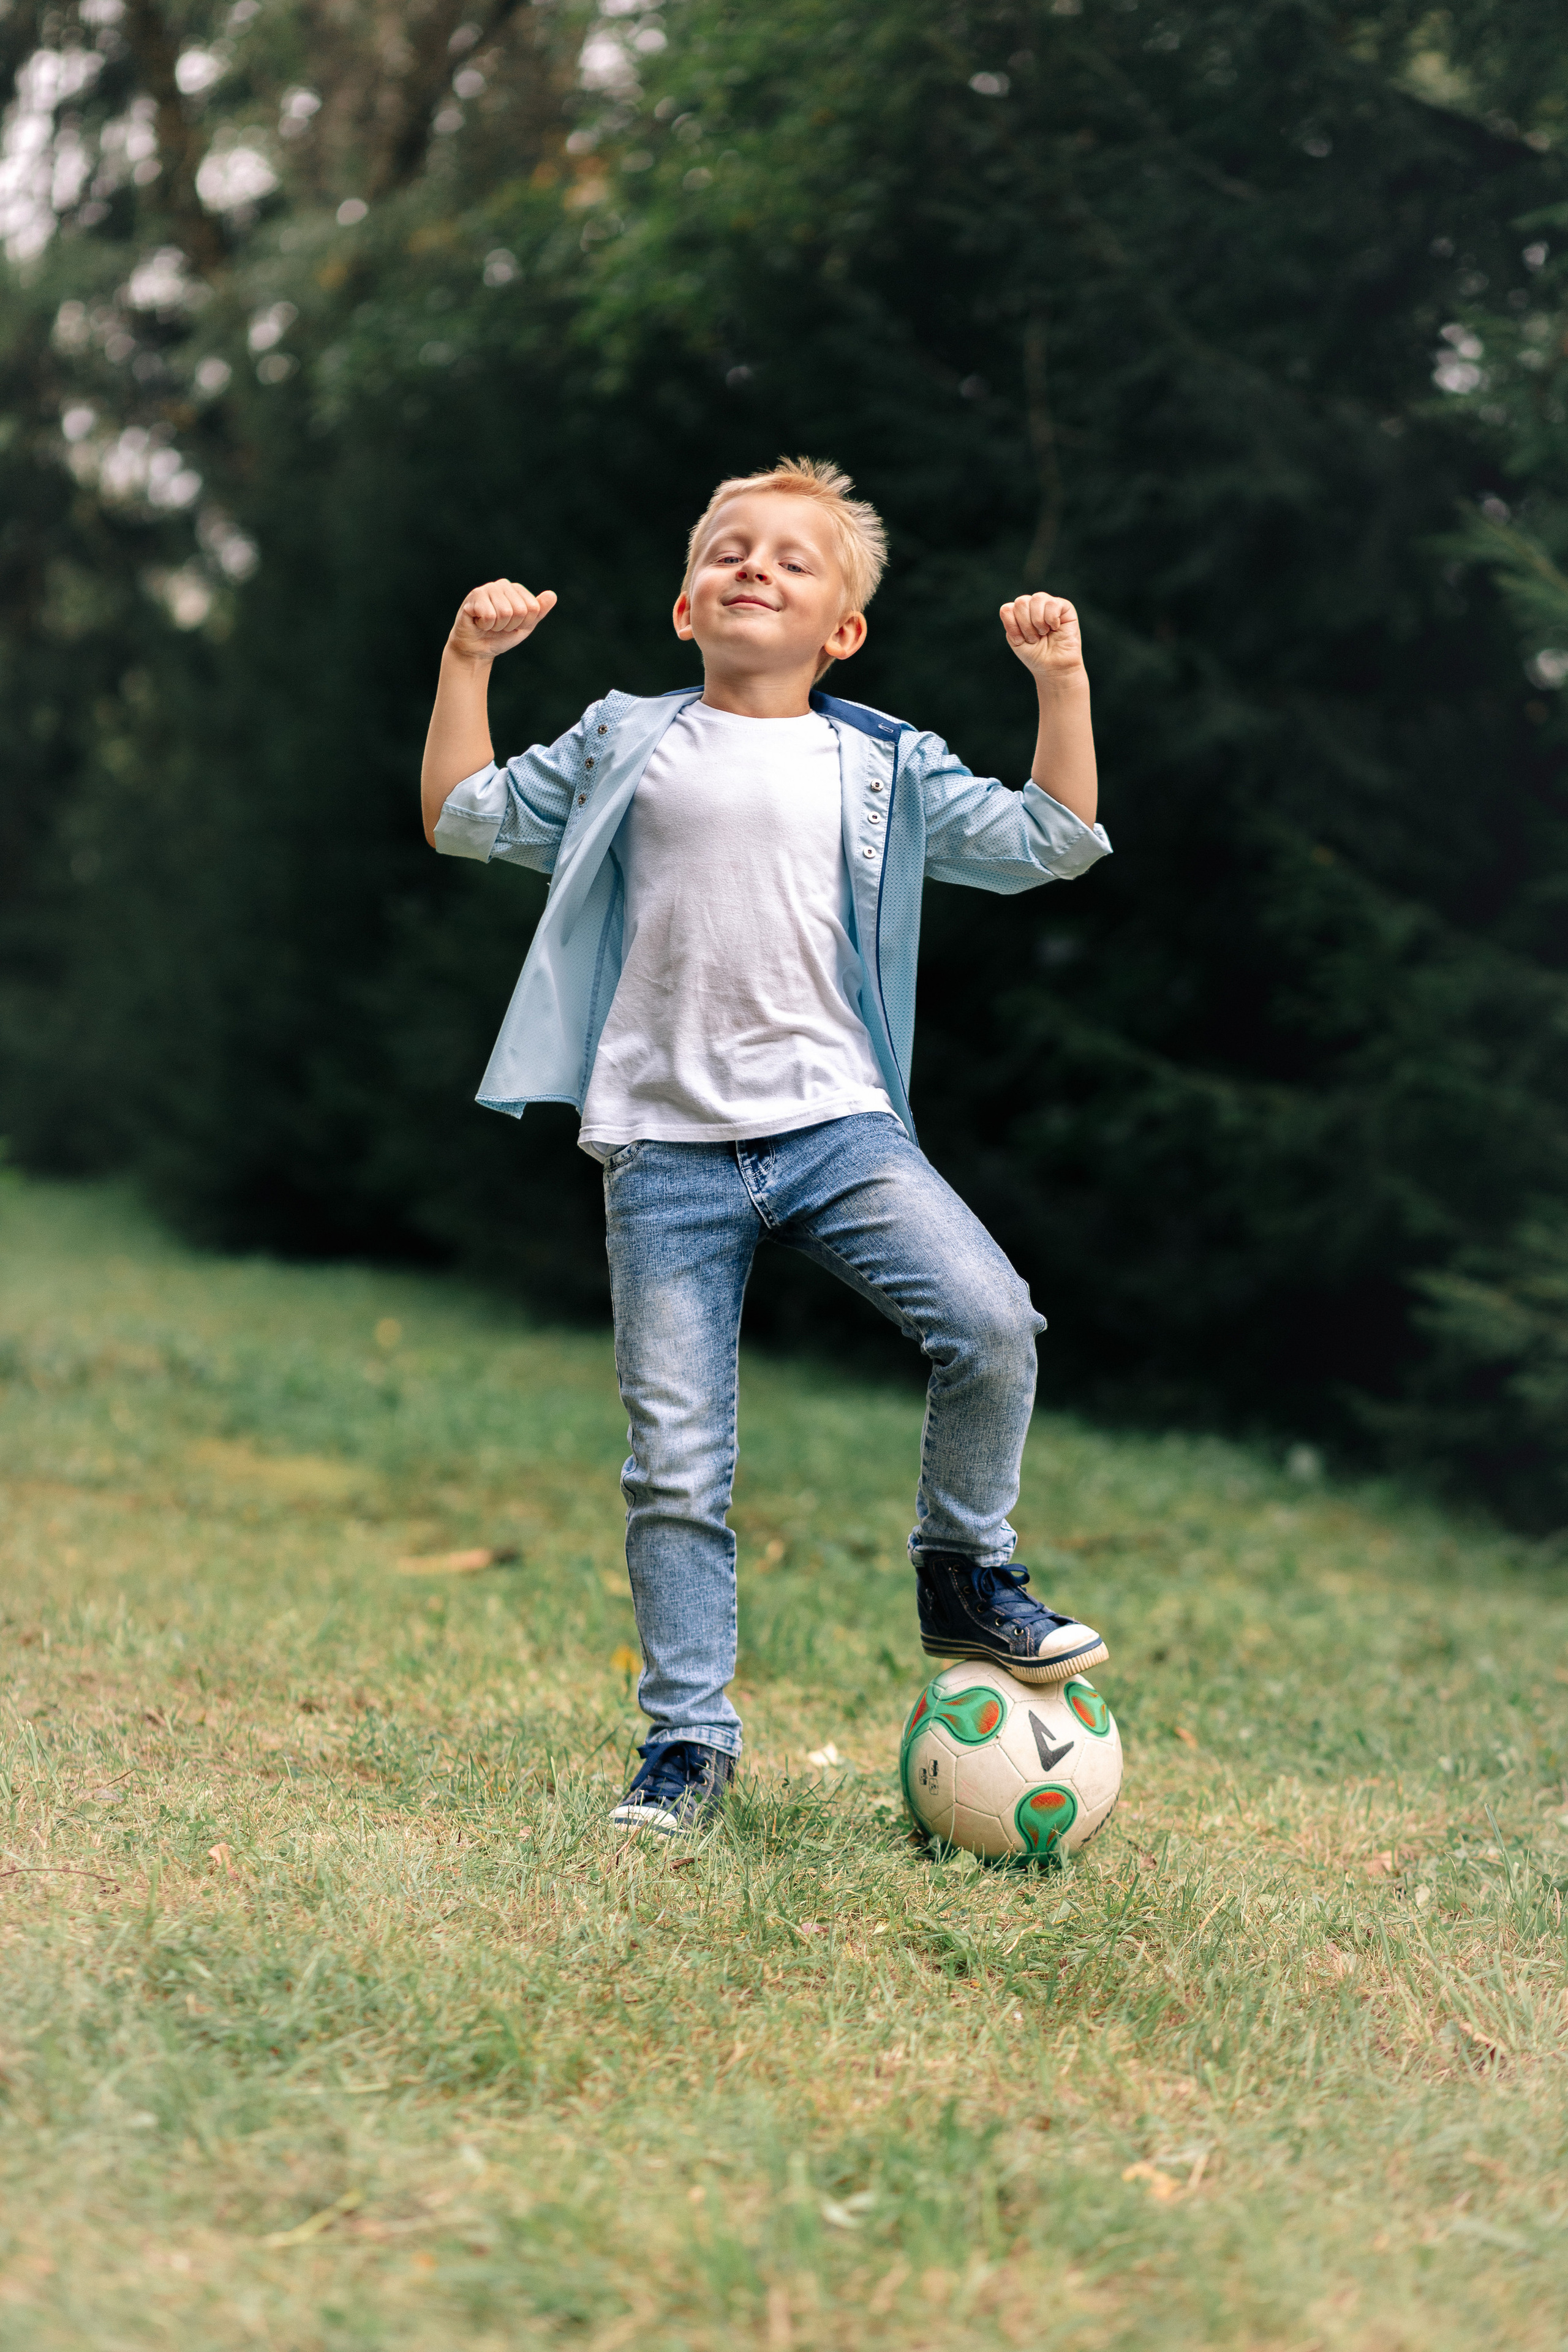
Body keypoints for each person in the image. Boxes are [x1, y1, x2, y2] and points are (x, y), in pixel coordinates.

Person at [419, 456, 1112, 1837]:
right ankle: (685, 1744)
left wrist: (1061, 682)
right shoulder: (628, 737)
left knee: (990, 1323)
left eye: (793, 561)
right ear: (684, 605)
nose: (755, 568)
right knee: (676, 1463)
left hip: (836, 1131)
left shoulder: (882, 765)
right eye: (729, 550)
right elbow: (462, 814)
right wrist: (464, 659)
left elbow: (1055, 838)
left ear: (838, 630)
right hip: (665, 1153)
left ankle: (964, 1571)